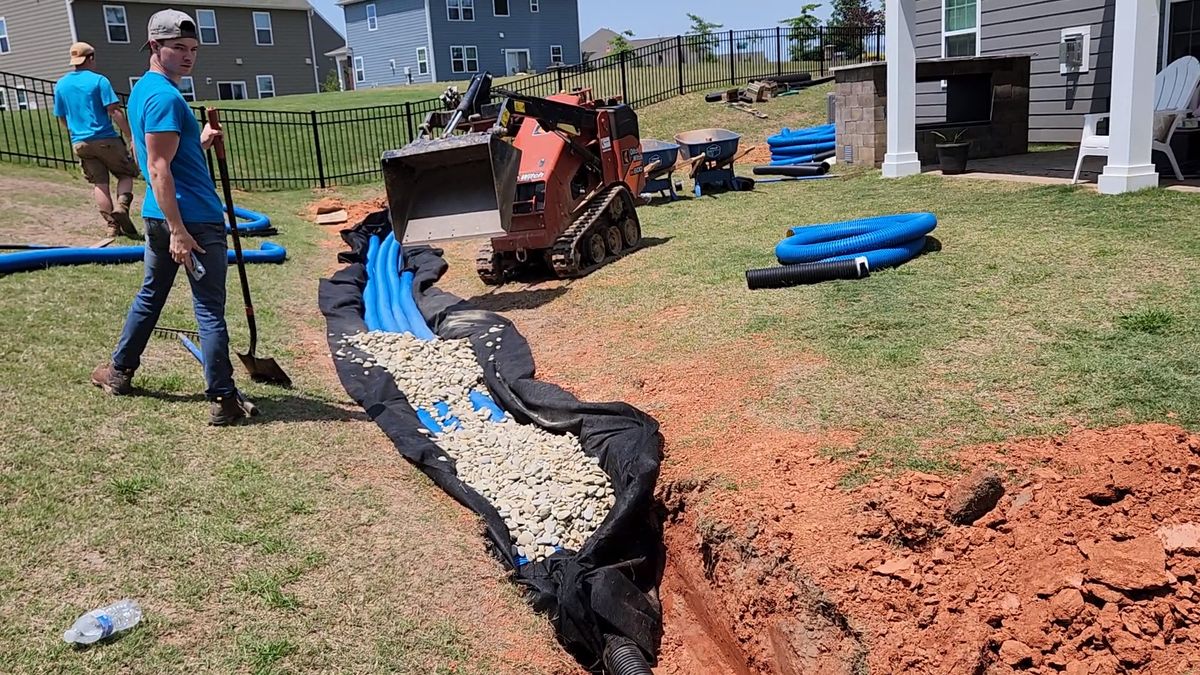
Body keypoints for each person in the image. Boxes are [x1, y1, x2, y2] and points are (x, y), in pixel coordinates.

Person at [91, 8, 253, 426]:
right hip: (191, 222)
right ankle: (224, 398)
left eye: (193, 48)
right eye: (178, 47)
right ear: (154, 46)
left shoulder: (147, 90)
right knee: (209, 309)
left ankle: (118, 373)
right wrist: (180, 231)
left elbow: (165, 158)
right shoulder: (165, 97)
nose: (188, 55)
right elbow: (159, 168)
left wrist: (198, 142)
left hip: (162, 217)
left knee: (150, 296)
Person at [54, 42, 140, 239]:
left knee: (100, 183)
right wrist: (130, 136)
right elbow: (115, 111)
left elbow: (61, 117)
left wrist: (76, 131)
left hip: (80, 143)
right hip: (105, 138)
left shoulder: (61, 85)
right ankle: (122, 208)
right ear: (90, 58)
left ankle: (112, 226)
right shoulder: (99, 81)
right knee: (126, 174)